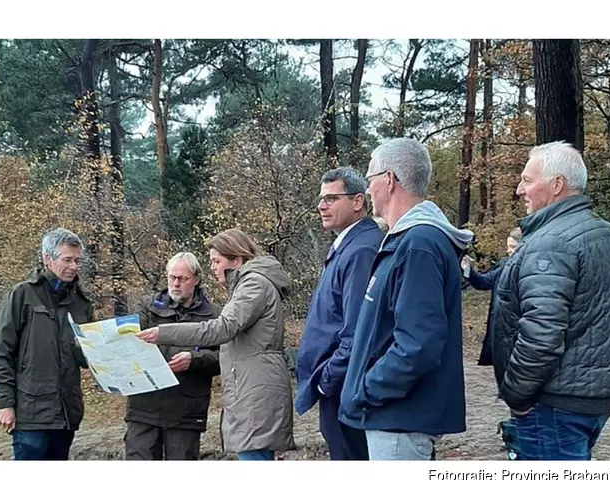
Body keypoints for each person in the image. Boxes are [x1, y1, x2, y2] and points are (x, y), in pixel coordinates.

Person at [491, 140, 610, 460]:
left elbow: (541, 334)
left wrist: (517, 397)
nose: (518, 189)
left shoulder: (551, 242)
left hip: (554, 402)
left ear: (556, 185)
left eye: (527, 180)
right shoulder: (607, 234)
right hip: (595, 396)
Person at [339, 138, 473, 460]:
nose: (368, 190)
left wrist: (367, 388)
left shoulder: (419, 244)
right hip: (394, 418)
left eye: (370, 179)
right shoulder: (409, 240)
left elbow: (418, 345)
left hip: (399, 421)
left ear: (388, 179)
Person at [137, 229, 296, 461]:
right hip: (253, 387)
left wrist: (162, 333)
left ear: (237, 259)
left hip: (256, 390)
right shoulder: (251, 284)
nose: (212, 267)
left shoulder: (253, 285)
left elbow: (221, 328)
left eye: (216, 261)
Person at [295, 166, 383, 460]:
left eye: (331, 198)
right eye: (321, 199)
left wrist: (326, 380)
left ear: (357, 201)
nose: (321, 206)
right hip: (339, 388)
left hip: (345, 389)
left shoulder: (361, 250)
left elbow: (357, 330)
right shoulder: (347, 245)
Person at [0, 228, 94, 460]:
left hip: (67, 413)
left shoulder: (82, 303)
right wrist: (5, 403)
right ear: (48, 259)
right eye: (67, 260)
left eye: (77, 260)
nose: (74, 266)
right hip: (30, 413)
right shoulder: (22, 295)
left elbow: (85, 357)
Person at [124, 252, 221, 460]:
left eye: (182, 278)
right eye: (171, 277)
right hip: (144, 407)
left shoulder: (214, 315)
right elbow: (130, 345)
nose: (175, 283)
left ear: (196, 279)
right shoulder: (147, 306)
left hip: (186, 410)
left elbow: (223, 358)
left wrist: (195, 360)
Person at [461, 227, 521, 366]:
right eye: (508, 247)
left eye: (512, 247)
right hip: (500, 330)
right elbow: (484, 282)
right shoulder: (504, 264)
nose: (508, 251)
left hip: (518, 332)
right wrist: (468, 269)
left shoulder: (531, 269)